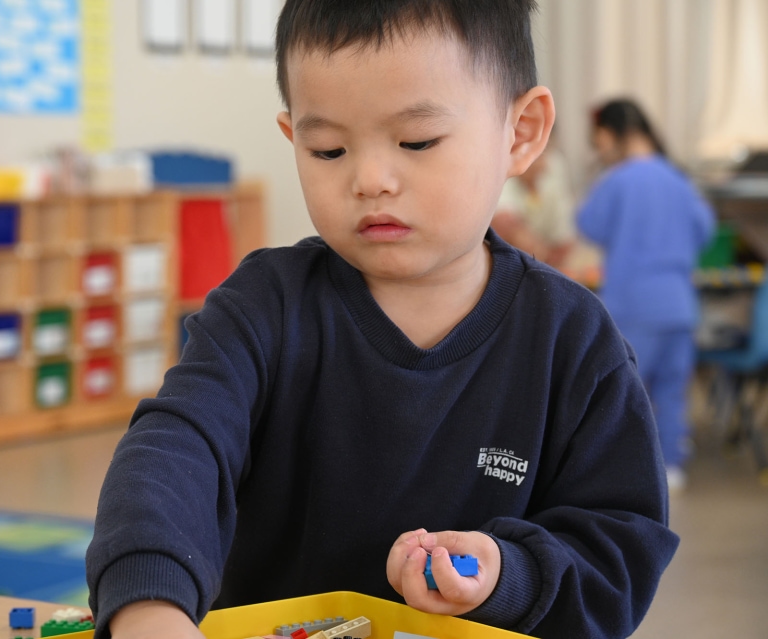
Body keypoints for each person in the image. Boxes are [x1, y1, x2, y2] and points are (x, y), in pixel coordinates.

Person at [87, 3, 679, 638]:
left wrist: (513, 574)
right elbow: (175, 449)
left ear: (521, 131)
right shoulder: (263, 306)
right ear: (294, 139)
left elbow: (618, 545)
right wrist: (149, 604)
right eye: (329, 149)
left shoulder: (572, 339)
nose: (369, 179)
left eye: (416, 141)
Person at [577, 98, 716, 492]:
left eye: (598, 141)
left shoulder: (616, 181)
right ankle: (671, 467)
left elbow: (589, 224)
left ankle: (629, 477)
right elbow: (704, 230)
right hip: (679, 305)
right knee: (673, 391)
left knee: (625, 393)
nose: (598, 149)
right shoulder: (678, 179)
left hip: (634, 304)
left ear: (611, 134)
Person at [491, 133, 576, 268]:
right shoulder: (502, 169)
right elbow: (505, 224)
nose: (543, 164)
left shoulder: (554, 166)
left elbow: (565, 236)